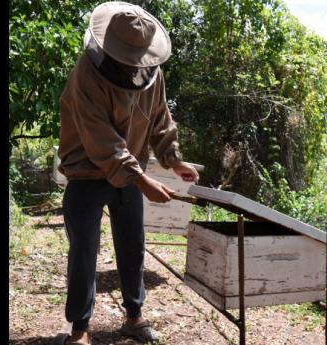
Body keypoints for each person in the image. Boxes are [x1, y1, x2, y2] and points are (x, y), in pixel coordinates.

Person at [55, 2, 199, 344]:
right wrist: (141, 178)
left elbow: (161, 119)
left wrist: (173, 159)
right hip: (86, 174)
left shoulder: (153, 74)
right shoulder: (86, 74)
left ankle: (133, 317)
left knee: (133, 246)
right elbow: (100, 138)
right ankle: (80, 329)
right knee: (84, 251)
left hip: (129, 176)